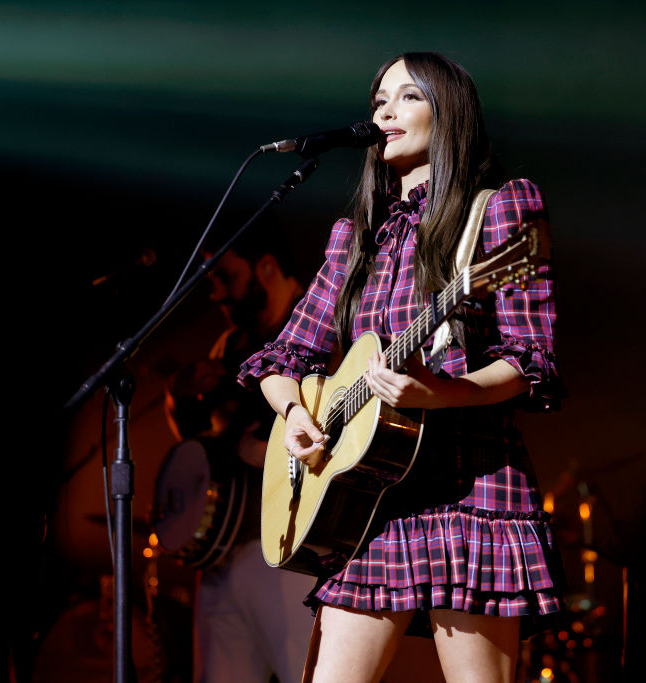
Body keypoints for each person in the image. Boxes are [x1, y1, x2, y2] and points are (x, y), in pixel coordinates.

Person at [237, 52, 566, 683]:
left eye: (408, 97)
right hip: (369, 501)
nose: (386, 112)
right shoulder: (356, 236)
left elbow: (530, 358)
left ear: (450, 114)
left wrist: (442, 394)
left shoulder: (499, 209)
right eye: (379, 101)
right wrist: (296, 413)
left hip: (469, 490)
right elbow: (282, 358)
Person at [162, 228, 318, 683]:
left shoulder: (317, 326)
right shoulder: (231, 344)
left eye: (225, 276)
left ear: (266, 267)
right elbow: (202, 448)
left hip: (290, 548)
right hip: (222, 554)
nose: (216, 293)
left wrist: (262, 449)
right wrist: (180, 398)